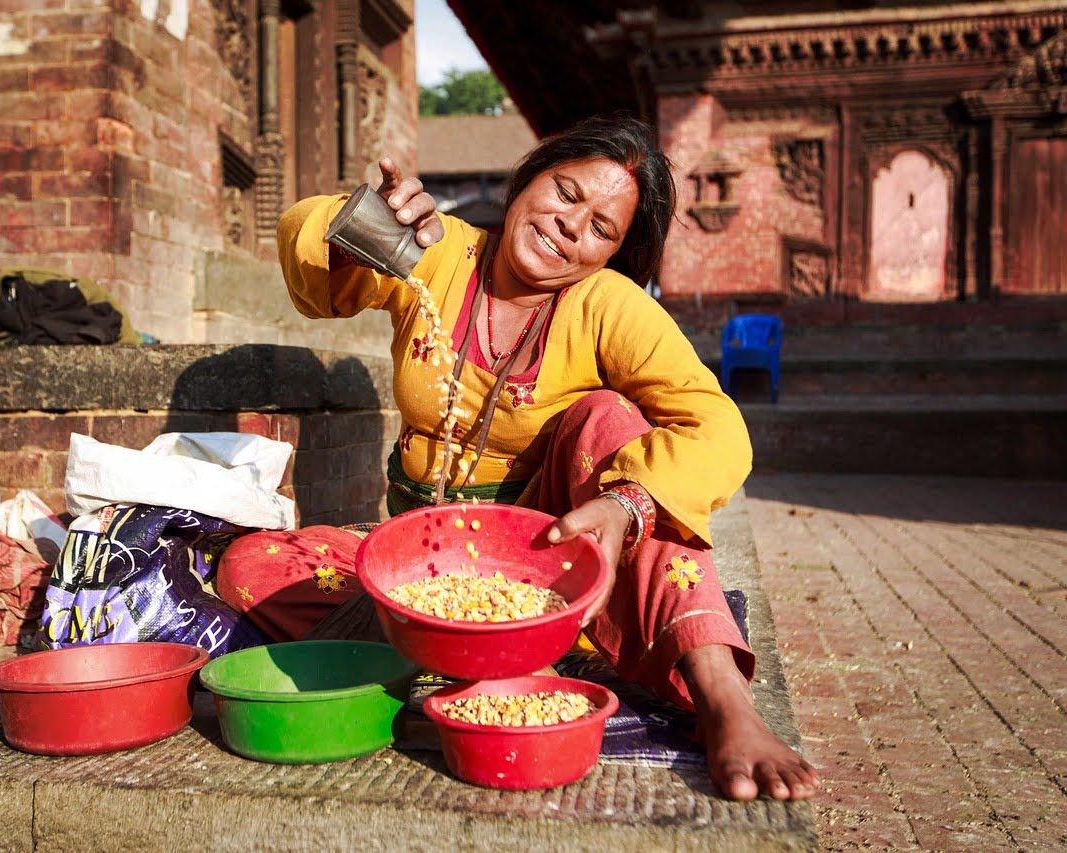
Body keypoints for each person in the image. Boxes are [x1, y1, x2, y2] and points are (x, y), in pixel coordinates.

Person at [217, 112, 817, 802]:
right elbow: (310, 247)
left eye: (601, 228)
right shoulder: (440, 249)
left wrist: (629, 504)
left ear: (611, 254)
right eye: (566, 193)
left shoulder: (608, 306)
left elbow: (717, 425)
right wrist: (363, 225)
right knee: (250, 565)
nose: (572, 225)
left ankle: (723, 700)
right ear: (529, 177)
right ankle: (485, 655)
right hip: (422, 566)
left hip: (545, 560)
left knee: (611, 420)